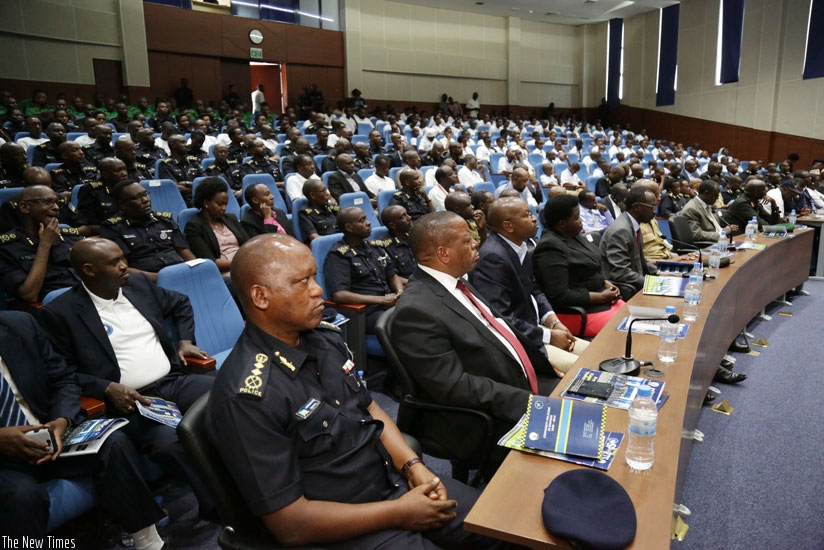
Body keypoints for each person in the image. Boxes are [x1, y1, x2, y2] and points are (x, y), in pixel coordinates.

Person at [205, 234, 508, 549]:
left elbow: (371, 409)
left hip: (393, 483)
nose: (317, 289)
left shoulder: (324, 339)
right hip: (344, 526)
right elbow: (290, 524)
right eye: (301, 281)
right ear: (260, 297)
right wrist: (398, 513)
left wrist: (412, 465)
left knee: (502, 526)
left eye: (314, 276)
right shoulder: (247, 397)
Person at [40, 237, 216, 518]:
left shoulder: (139, 285)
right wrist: (105, 387)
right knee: (170, 442)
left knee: (231, 396)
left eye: (123, 258)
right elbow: (61, 372)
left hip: (173, 381)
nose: (125, 266)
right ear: (89, 270)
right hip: (133, 402)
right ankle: (219, 506)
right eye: (114, 262)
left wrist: (185, 340)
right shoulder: (61, 312)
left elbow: (181, 303)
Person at [391, 211, 560, 459]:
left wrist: (539, 364)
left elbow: (500, 330)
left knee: (595, 407)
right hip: (485, 414)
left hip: (516, 383)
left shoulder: (458, 281)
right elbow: (454, 386)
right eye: (467, 240)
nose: (476, 242)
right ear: (443, 253)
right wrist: (528, 402)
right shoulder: (415, 311)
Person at [0, 310, 168, 548]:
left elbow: (62, 379)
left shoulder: (19, 324)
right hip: (5, 459)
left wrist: (62, 420)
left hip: (50, 433)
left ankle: (148, 542)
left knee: (114, 443)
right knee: (22, 497)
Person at [469, 198, 589, 375]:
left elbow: (534, 290)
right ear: (508, 226)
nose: (534, 218)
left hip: (534, 328)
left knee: (596, 352)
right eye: (527, 215)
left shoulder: (520, 247)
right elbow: (500, 317)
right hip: (518, 340)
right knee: (586, 368)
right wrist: (548, 336)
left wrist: (554, 322)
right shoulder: (493, 258)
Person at [533, 194, 624, 337]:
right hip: (576, 312)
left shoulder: (575, 236)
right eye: (576, 218)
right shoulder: (550, 247)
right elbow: (560, 295)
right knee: (629, 331)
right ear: (562, 223)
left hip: (601, 301)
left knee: (637, 322)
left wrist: (606, 283)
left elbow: (593, 268)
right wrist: (601, 297)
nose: (581, 221)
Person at [324, 207, 403, 333]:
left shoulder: (375, 247)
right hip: (367, 311)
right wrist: (382, 300)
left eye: (366, 218)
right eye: (362, 220)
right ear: (349, 227)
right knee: (406, 324)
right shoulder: (338, 255)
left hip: (390, 303)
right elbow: (339, 295)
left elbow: (392, 275)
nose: (368, 222)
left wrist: (399, 292)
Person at [100, 180, 195, 281]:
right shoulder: (112, 228)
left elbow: (185, 253)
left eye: (145, 194)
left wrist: (194, 270)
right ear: (122, 204)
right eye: (137, 198)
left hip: (180, 273)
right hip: (146, 280)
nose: (145, 200)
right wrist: (162, 278)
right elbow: (123, 268)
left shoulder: (165, 220)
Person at [0, 185, 82, 303]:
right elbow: (29, 294)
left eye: (57, 203)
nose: (56, 208)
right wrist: (45, 245)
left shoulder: (70, 236)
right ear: (25, 207)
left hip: (88, 299)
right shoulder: (7, 246)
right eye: (48, 202)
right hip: (47, 307)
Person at [599, 186, 659, 301]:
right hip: (621, 288)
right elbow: (620, 272)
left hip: (635, 281)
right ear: (637, 207)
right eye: (651, 207)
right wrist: (652, 284)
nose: (654, 211)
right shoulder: (621, 230)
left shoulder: (633, 225)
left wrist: (662, 274)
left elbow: (640, 261)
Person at [184, 177, 250, 278]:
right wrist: (240, 263)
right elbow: (209, 262)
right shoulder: (194, 226)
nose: (224, 208)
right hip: (224, 273)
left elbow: (248, 244)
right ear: (206, 203)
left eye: (225, 204)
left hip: (246, 264)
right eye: (219, 204)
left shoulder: (230, 218)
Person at [76, 157, 127, 228]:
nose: (124, 174)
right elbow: (87, 221)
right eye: (118, 171)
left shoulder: (129, 187)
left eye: (124, 169)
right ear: (105, 174)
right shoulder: (91, 190)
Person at [156, 134, 203, 203]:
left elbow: (206, 181)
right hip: (181, 200)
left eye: (185, 142)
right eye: (182, 142)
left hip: (199, 198)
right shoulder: (165, 165)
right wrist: (197, 186)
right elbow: (173, 188)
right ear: (173, 146)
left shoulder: (193, 162)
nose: (186, 145)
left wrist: (186, 183)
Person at [375, 205, 415, 280]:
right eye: (403, 216)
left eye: (407, 214)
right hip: (407, 284)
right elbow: (392, 277)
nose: (409, 218)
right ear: (393, 225)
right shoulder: (384, 246)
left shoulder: (414, 235)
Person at [298, 179, 339, 243]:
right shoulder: (305, 213)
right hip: (328, 244)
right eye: (323, 191)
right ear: (313, 195)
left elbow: (345, 219)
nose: (327, 193)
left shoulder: (330, 206)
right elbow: (314, 237)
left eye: (326, 190)